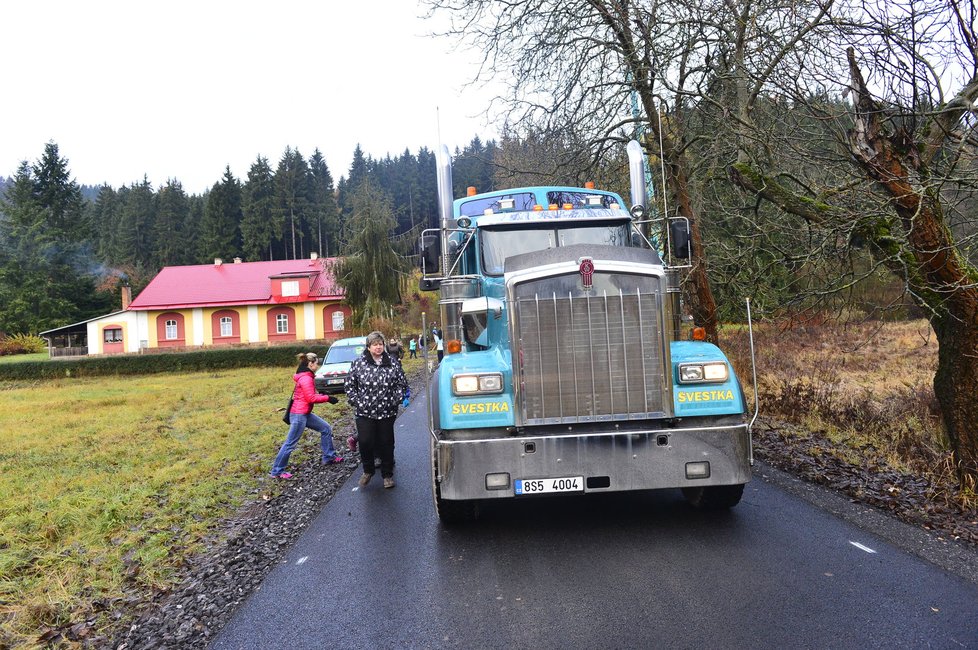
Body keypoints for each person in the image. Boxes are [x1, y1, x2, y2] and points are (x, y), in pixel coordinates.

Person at [346, 331, 409, 489]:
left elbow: (402, 383)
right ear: (368, 347)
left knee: (386, 442)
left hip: (387, 410)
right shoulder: (358, 363)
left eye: (380, 344)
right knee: (366, 441)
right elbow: (350, 385)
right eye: (375, 344)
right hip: (364, 411)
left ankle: (387, 475)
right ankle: (368, 470)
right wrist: (357, 401)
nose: (378, 347)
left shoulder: (392, 362)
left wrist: (396, 399)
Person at [271, 352, 342, 479]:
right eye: (316, 363)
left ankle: (329, 457)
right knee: (290, 443)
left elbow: (308, 396)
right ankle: (276, 471)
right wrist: (328, 398)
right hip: (299, 415)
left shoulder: (306, 376)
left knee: (325, 428)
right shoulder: (306, 378)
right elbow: (310, 398)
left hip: (304, 412)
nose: (318, 366)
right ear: (310, 364)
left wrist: (324, 395)